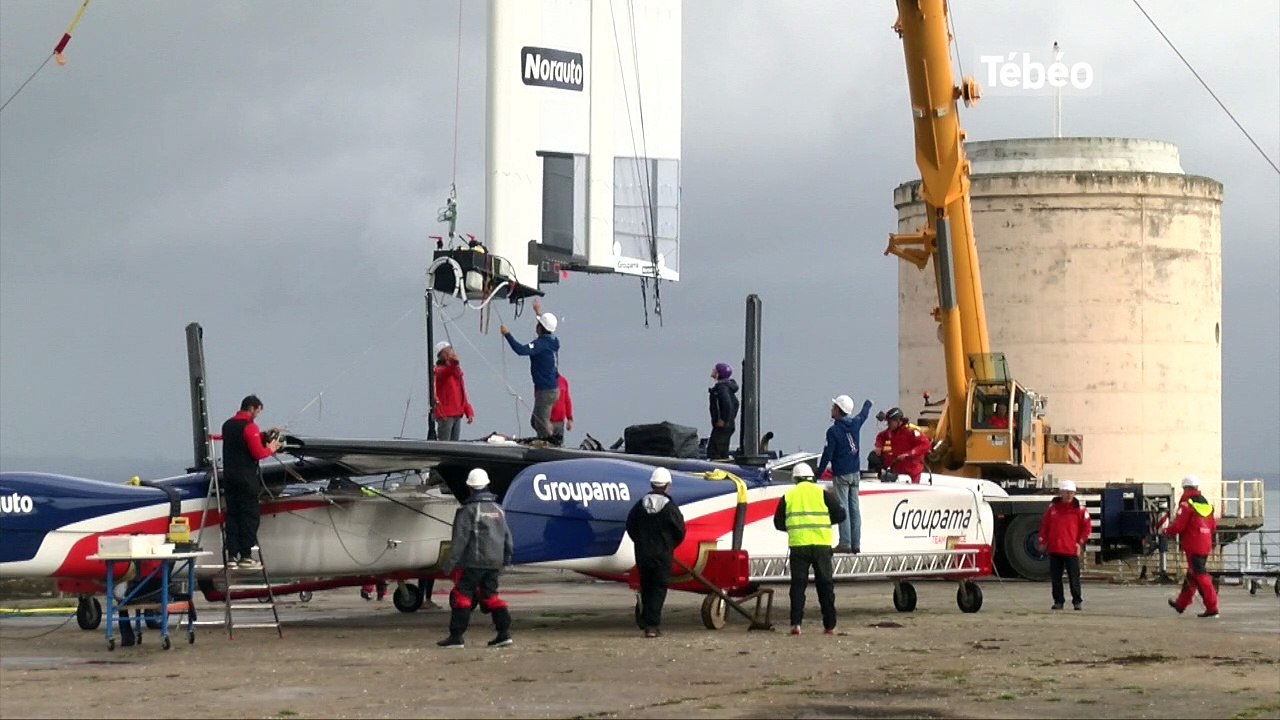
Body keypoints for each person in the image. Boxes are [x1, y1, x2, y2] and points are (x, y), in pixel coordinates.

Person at [437, 468, 515, 649]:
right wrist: (505, 560)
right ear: (487, 485)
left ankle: (456, 636)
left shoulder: (468, 510)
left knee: (462, 596)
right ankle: (503, 633)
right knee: (491, 596)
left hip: (473, 562)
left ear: (470, 487)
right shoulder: (498, 510)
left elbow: (459, 541)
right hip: (494, 562)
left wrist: (448, 565)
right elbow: (508, 539)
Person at [773, 462, 846, 636]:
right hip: (821, 545)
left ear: (795, 479)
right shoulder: (822, 493)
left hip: (799, 546)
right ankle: (830, 625)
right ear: (812, 477)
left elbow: (778, 523)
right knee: (825, 585)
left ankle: (796, 624)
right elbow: (841, 515)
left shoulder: (788, 496)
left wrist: (794, 527)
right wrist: (825, 522)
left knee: (798, 586)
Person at [220, 395, 282, 570]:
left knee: (233, 516)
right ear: (252, 408)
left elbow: (241, 442)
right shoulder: (249, 426)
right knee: (249, 516)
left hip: (229, 477)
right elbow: (257, 453)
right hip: (246, 478)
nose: (257, 415)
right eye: (258, 411)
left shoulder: (227, 425)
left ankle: (232, 555)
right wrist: (270, 449)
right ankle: (246, 555)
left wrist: (263, 435)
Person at [625, 467, 687, 638]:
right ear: (667, 486)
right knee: (658, 588)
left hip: (643, 554)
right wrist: (670, 545)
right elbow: (680, 530)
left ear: (652, 484)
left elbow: (630, 526)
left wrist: (640, 542)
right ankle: (652, 626)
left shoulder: (640, 505)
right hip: (662, 555)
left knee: (646, 586)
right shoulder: (670, 507)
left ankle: (646, 620)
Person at [817, 395, 873, 554]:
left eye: (834, 407)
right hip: (855, 473)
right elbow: (864, 414)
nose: (831, 409)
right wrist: (868, 403)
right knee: (855, 508)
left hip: (841, 474)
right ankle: (856, 544)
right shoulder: (855, 424)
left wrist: (818, 474)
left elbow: (827, 455)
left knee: (844, 508)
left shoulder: (833, 431)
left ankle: (845, 543)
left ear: (838, 410)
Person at [500, 298, 560, 441]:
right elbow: (546, 327)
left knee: (541, 424)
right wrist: (538, 313)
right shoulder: (553, 341)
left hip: (545, 391)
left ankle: (551, 443)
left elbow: (520, 350)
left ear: (540, 328)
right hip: (552, 390)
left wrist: (507, 334)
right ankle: (550, 437)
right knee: (535, 421)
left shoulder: (540, 345)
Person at [1165, 475, 1220, 618]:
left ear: (1185, 488)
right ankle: (1181, 604)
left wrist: (1166, 531)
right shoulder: (1206, 505)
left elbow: (1178, 525)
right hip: (1205, 543)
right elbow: (1213, 526)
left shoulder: (1186, 504)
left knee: (1200, 575)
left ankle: (1212, 607)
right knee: (1192, 575)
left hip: (1193, 544)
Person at [1035, 480, 1091, 610]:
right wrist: (1042, 541)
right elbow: (1045, 526)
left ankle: (1077, 601)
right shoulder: (1052, 509)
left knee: (1074, 577)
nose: (1069, 495)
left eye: (1071, 493)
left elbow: (1086, 528)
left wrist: (1080, 543)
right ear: (1061, 493)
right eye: (1066, 492)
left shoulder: (1080, 510)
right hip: (1055, 549)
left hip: (1071, 550)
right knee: (1056, 578)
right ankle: (1058, 601)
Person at [874, 407, 931, 484]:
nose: (888, 424)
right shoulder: (890, 431)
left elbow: (925, 445)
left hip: (912, 471)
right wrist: (879, 446)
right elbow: (880, 436)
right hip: (897, 470)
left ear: (898, 421)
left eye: (890, 422)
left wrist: (909, 454)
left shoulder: (911, 430)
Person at [432, 340, 474, 441]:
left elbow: (462, 393)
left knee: (455, 443)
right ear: (440, 355)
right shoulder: (438, 371)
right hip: (445, 414)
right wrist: (454, 362)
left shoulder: (456, 371)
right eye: (446, 351)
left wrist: (468, 410)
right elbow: (447, 371)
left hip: (457, 413)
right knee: (445, 442)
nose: (449, 353)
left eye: (450, 350)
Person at [707, 363, 740, 460]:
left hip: (722, 426)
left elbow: (727, 404)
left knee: (715, 452)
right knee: (722, 451)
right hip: (727, 426)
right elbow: (735, 404)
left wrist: (723, 420)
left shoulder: (721, 388)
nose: (713, 371)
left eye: (715, 370)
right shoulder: (727, 388)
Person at [549, 374, 574, 447]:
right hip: (547, 421)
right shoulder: (544, 381)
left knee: (558, 445)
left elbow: (567, 400)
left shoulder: (563, 381)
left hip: (560, 422)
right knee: (546, 444)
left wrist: (569, 418)